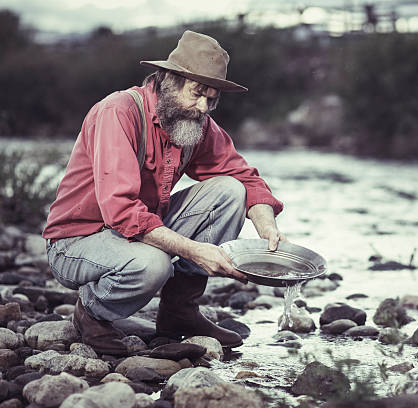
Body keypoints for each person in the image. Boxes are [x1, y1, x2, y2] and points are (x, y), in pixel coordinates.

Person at [42, 30, 285, 356]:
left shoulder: (197, 123)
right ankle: (92, 313)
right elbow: (121, 211)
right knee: (155, 264)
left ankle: (178, 313)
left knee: (231, 190)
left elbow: (245, 177)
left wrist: (267, 227)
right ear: (170, 79)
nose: (202, 107)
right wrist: (196, 251)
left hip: (136, 232)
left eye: (211, 99)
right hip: (76, 242)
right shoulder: (118, 112)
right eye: (197, 93)